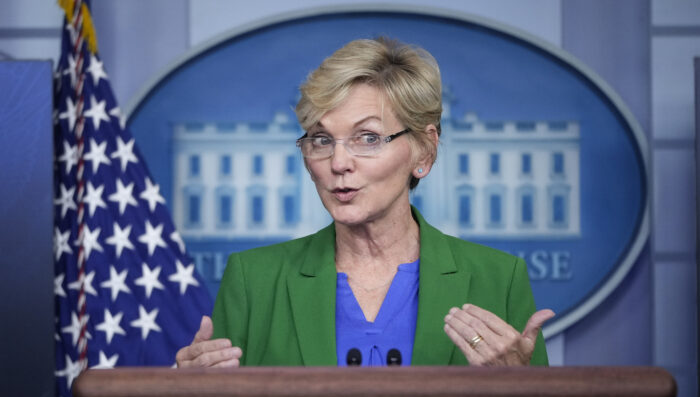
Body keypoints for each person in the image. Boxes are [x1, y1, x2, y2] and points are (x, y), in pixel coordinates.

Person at [176, 37, 554, 368]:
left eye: (368, 138)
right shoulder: (253, 281)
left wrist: (517, 384)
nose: (338, 163)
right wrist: (189, 396)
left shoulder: (499, 280)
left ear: (424, 151)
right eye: (321, 140)